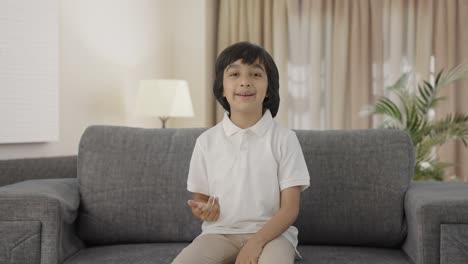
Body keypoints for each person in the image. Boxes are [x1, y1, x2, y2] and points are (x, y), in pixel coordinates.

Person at [172, 41, 310, 264]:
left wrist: (256, 243)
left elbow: (290, 208)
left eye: (255, 74)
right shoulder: (206, 142)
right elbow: (201, 199)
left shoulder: (285, 139)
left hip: (272, 236)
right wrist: (204, 210)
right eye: (234, 74)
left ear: (269, 89)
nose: (245, 82)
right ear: (222, 88)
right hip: (218, 234)